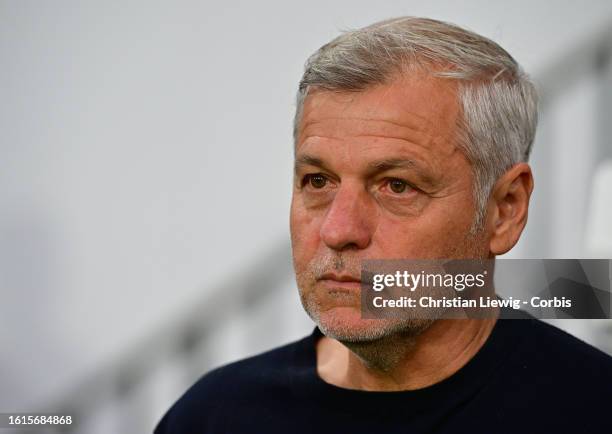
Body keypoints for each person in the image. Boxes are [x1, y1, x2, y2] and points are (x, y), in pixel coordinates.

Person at [154, 17, 612, 433]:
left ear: (504, 209)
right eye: (317, 181)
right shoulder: (214, 418)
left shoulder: (590, 409)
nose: (338, 230)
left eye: (396, 186)